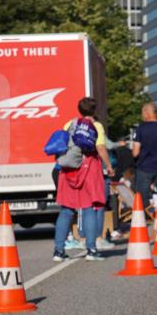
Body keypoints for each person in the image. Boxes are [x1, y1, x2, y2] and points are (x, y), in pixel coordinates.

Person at [53, 97, 114, 261]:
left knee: (66, 210)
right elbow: (100, 147)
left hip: (69, 169)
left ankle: (58, 251)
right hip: (89, 168)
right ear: (94, 110)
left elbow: (62, 144)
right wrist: (108, 166)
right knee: (88, 209)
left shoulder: (70, 124)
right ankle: (91, 250)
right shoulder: (96, 126)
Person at [132, 102, 157, 208]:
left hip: (144, 168)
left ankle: (144, 218)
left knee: (142, 198)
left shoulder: (141, 128)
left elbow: (135, 152)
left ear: (146, 112)